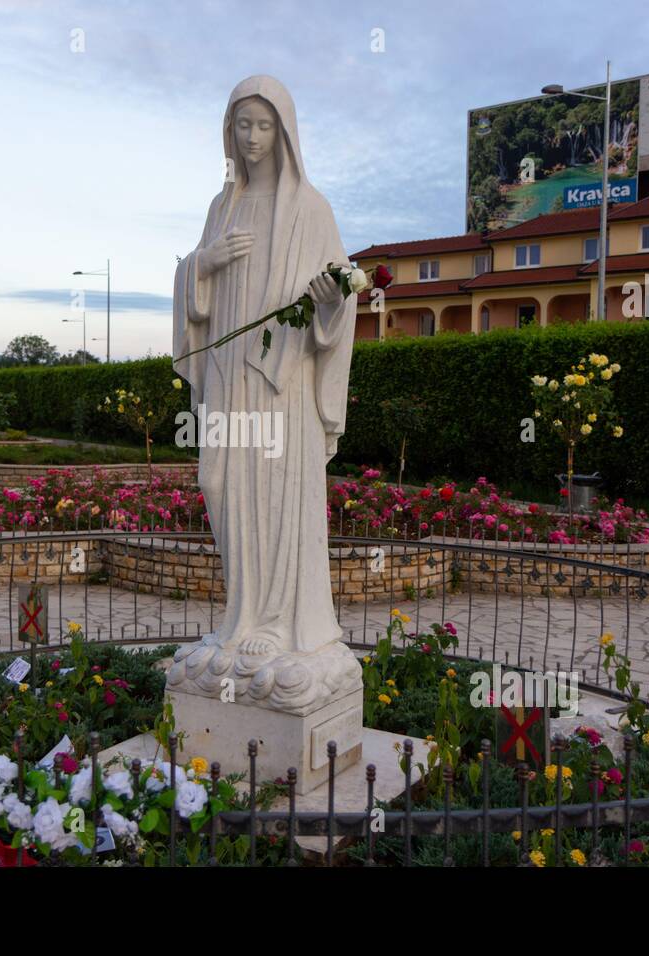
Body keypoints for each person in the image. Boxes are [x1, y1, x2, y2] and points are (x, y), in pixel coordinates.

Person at [167, 76, 361, 714]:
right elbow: (192, 287)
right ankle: (241, 614)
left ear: (284, 132)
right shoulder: (221, 206)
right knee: (219, 481)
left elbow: (338, 302)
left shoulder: (311, 209)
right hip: (227, 373)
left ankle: (277, 622)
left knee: (274, 493)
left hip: (282, 382)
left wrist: (330, 301)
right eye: (242, 125)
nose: (252, 137)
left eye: (263, 125)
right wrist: (204, 264)